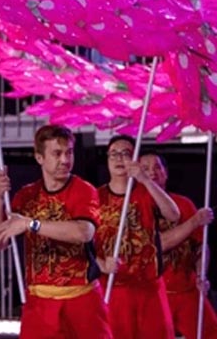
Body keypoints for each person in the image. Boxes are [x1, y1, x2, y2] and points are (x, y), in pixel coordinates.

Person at [0, 125, 111, 339]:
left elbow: (84, 232)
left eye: (69, 152)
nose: (65, 160)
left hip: (81, 299)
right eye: (57, 153)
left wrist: (31, 224)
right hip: (39, 303)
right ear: (39, 158)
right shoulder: (26, 195)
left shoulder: (83, 189)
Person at [95, 135, 180, 339]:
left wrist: (145, 179)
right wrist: (101, 264)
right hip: (113, 287)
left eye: (125, 154)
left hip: (149, 287)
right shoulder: (95, 197)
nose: (119, 159)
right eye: (113, 154)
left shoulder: (146, 192)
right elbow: (83, 244)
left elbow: (174, 215)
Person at [139, 151, 217, 338]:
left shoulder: (184, 203)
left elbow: (200, 246)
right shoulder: (133, 206)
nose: (152, 172)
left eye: (157, 167)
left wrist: (201, 274)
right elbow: (156, 246)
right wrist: (194, 221)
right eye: (145, 168)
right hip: (151, 294)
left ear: (166, 173)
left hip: (186, 290)